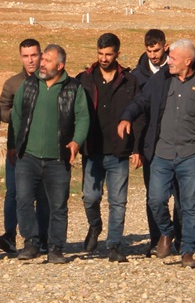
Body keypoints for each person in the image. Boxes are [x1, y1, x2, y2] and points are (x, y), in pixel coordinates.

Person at [117, 39, 195, 269]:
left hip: (191, 154)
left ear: (188, 61)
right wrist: (127, 116)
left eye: (173, 58)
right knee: (155, 200)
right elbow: (141, 101)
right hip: (161, 153)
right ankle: (166, 233)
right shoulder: (161, 79)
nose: (169, 61)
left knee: (189, 206)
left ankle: (188, 251)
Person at [11, 44, 89, 264]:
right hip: (29, 156)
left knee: (58, 205)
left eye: (46, 60)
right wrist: (19, 142)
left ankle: (55, 247)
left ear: (60, 65)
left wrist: (76, 142)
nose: (41, 63)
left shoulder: (74, 88)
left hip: (58, 159)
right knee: (24, 200)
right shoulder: (29, 85)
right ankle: (31, 243)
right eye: (42, 59)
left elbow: (82, 118)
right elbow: (17, 114)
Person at [76, 33, 139, 262]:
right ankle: (95, 226)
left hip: (118, 151)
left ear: (117, 54)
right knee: (90, 197)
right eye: (100, 54)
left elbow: (139, 116)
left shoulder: (130, 82)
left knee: (118, 201)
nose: (104, 58)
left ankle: (114, 245)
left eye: (108, 54)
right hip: (92, 150)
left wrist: (137, 148)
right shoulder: (84, 79)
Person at [130, 29, 179, 252]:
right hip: (152, 145)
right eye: (149, 51)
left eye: (157, 50)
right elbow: (137, 116)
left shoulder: (178, 69)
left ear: (165, 46)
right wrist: (136, 148)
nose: (153, 55)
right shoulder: (137, 77)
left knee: (180, 196)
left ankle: (179, 239)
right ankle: (156, 238)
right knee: (154, 196)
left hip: (178, 142)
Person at [0, 38, 47, 255]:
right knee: (14, 193)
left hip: (44, 149)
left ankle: (41, 237)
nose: (30, 60)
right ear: (21, 57)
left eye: (34, 55)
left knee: (43, 194)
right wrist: (21, 114)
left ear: (41, 55)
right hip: (17, 148)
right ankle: (10, 235)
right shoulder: (12, 84)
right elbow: (2, 112)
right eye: (26, 56)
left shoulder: (49, 80)